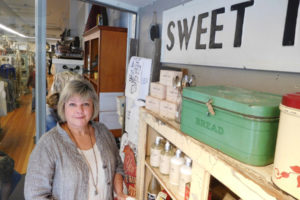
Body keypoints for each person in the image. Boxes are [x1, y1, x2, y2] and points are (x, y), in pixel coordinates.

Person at [24, 79, 128, 200]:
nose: (79, 110)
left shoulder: (103, 132)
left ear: (93, 106)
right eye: (72, 104)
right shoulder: (48, 144)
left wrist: (119, 193)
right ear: (63, 107)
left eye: (85, 104)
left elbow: (117, 167)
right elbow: (34, 195)